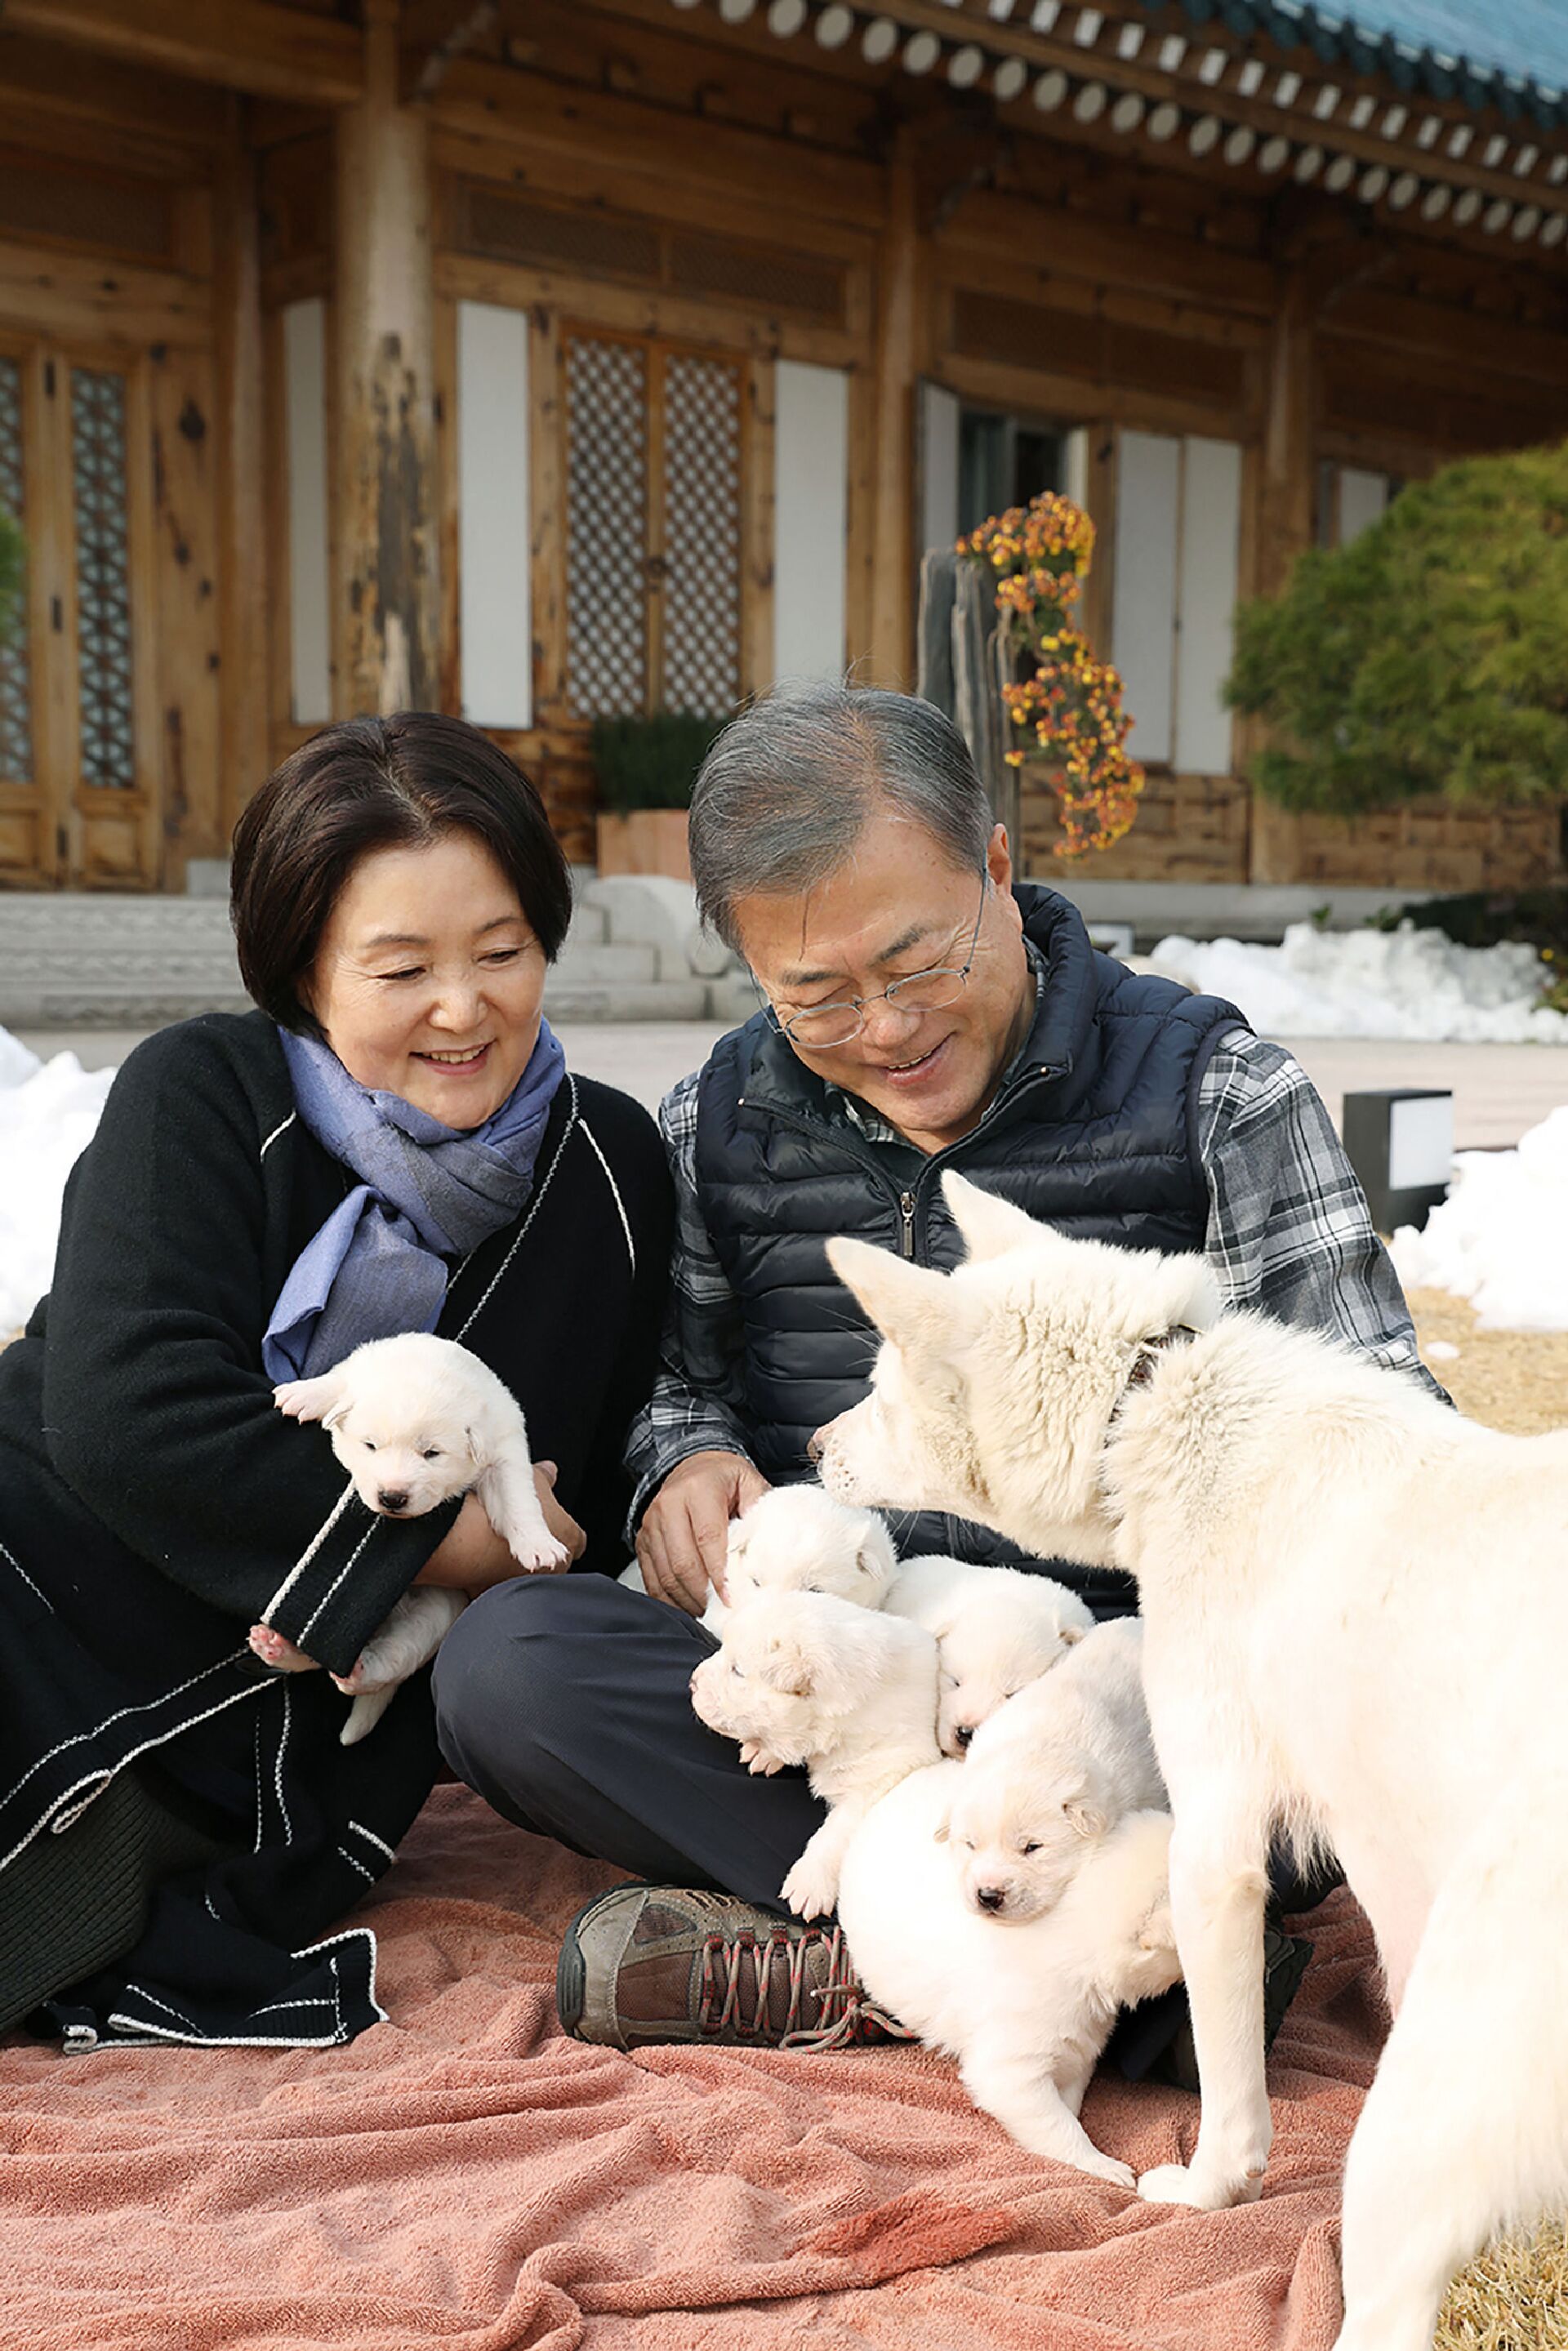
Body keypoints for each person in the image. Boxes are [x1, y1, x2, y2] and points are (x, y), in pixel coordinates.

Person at [433, 682, 1442, 2058]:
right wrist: (685, 1459)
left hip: (1133, 1689)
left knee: (1302, 1730)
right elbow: (671, 1375)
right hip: (852, 1667)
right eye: (819, 997)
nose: (888, 1029)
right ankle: (1105, 1978)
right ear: (749, 975)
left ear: (1000, 871)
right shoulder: (715, 1118)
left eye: (917, 965)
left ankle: (871, 1965)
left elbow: (1387, 1438)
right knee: (507, 1668)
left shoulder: (1213, 1091)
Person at [0, 713, 672, 2048]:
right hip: (55, 1550)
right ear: (302, 964)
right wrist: (450, 1538)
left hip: (303, 1725)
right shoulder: (199, 1088)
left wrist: (506, 1548)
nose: (464, 1007)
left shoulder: (611, 1167)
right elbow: (124, 1410)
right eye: (401, 966)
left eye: (503, 951)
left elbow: (583, 1473)